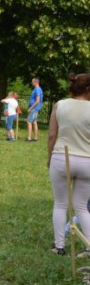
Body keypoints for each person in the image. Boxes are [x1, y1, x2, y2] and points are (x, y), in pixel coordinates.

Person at [47, 73, 90, 255]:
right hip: (87, 160)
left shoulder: (60, 105)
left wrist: (49, 158)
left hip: (61, 158)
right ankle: (89, 246)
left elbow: (51, 135)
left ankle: (59, 246)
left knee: (60, 204)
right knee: (81, 206)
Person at [27, 77, 44, 142]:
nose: (31, 83)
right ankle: (35, 138)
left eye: (32, 82)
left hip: (34, 108)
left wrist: (30, 108)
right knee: (34, 122)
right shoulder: (38, 89)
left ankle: (29, 138)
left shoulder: (37, 89)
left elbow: (37, 101)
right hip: (35, 108)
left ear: (35, 82)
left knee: (29, 121)